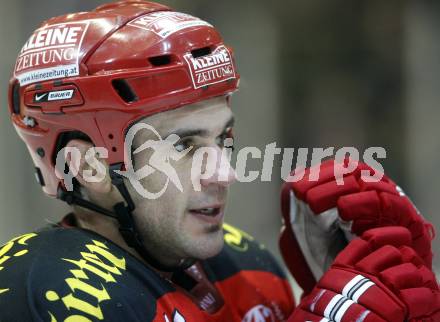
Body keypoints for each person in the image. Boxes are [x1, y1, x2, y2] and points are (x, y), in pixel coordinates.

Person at [1, 1, 438, 321]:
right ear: (91, 168)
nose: (226, 172)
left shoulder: (248, 267)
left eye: (223, 138)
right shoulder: (50, 291)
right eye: (184, 146)